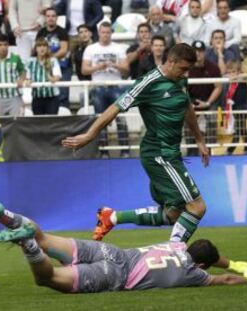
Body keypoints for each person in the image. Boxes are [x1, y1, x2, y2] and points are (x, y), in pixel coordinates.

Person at [62, 43, 210, 243]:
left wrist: (199, 139)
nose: (186, 74)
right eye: (183, 69)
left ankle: (112, 217)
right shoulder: (148, 83)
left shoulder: (180, 80)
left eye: (188, 70)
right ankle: (173, 255)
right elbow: (115, 108)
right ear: (171, 61)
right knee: (197, 207)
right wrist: (90, 134)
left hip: (171, 154)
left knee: (174, 214)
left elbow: (187, 106)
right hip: (159, 155)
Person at [0, 202, 247, 293]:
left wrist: (228, 261)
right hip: (115, 275)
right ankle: (27, 244)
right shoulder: (195, 275)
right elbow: (223, 278)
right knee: (47, 278)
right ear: (201, 265)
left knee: (46, 238)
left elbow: (206, 254)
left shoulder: (175, 243)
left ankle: (5, 216)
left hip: (111, 253)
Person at [81, 21, 130, 158]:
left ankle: (125, 149)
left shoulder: (119, 48)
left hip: (117, 87)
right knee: (101, 119)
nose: (106, 35)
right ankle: (103, 151)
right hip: (98, 87)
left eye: (108, 32)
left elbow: (126, 69)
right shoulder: (91, 49)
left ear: (111, 33)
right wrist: (98, 67)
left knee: (121, 118)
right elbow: (84, 70)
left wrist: (115, 65)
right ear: (99, 33)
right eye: (103, 32)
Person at [187, 40, 222, 156]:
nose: (197, 54)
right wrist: (189, 103)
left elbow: (218, 87)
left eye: (200, 51)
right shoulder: (184, 68)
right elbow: (179, 89)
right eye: (194, 51)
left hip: (209, 101)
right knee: (186, 119)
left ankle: (210, 151)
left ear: (205, 52)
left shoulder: (213, 67)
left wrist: (207, 103)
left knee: (212, 118)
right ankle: (191, 152)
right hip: (191, 101)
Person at [36, 7, 71, 108]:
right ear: (45, 18)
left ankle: (64, 118)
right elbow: (36, 49)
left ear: (57, 18)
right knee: (48, 94)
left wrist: (49, 59)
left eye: (53, 16)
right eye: (48, 16)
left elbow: (63, 50)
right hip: (46, 67)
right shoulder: (41, 32)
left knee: (63, 95)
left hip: (63, 66)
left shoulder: (62, 32)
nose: (50, 18)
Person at [0, 34, 26, 116]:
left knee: (17, 123)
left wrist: (21, 79)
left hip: (14, 96)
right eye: (0, 45)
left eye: (5, 44)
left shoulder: (15, 58)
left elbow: (23, 71)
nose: (3, 47)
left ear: (8, 45)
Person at [26, 38, 62, 115]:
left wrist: (51, 77)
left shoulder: (53, 60)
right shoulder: (30, 61)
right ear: (35, 49)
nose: (42, 48)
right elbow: (26, 77)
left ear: (47, 48)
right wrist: (28, 80)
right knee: (39, 123)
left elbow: (57, 77)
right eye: (39, 46)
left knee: (51, 122)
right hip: (37, 97)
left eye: (44, 46)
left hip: (52, 98)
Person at [222, 60, 247, 155]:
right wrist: (228, 76)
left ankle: (230, 150)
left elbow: (246, 75)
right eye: (229, 72)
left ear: (238, 71)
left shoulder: (241, 81)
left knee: (239, 130)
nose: (231, 74)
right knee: (242, 129)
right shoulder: (229, 83)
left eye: (233, 72)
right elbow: (223, 77)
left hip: (242, 109)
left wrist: (235, 77)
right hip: (233, 109)